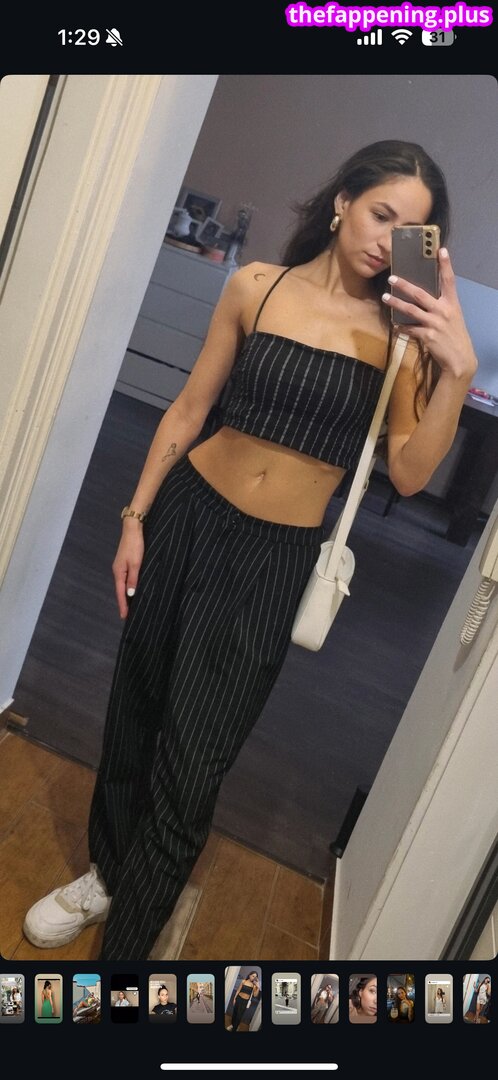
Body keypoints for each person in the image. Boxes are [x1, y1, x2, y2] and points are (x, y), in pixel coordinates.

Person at [23, 139, 478, 960]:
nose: (388, 240)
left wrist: (456, 369)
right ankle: (108, 873)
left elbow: (411, 474)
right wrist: (135, 516)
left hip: (274, 559)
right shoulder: (256, 287)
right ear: (342, 201)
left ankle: (124, 958)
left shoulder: (403, 341)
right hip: (188, 517)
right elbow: (189, 409)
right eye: (381, 214)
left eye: (410, 231)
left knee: (194, 759)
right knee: (136, 710)